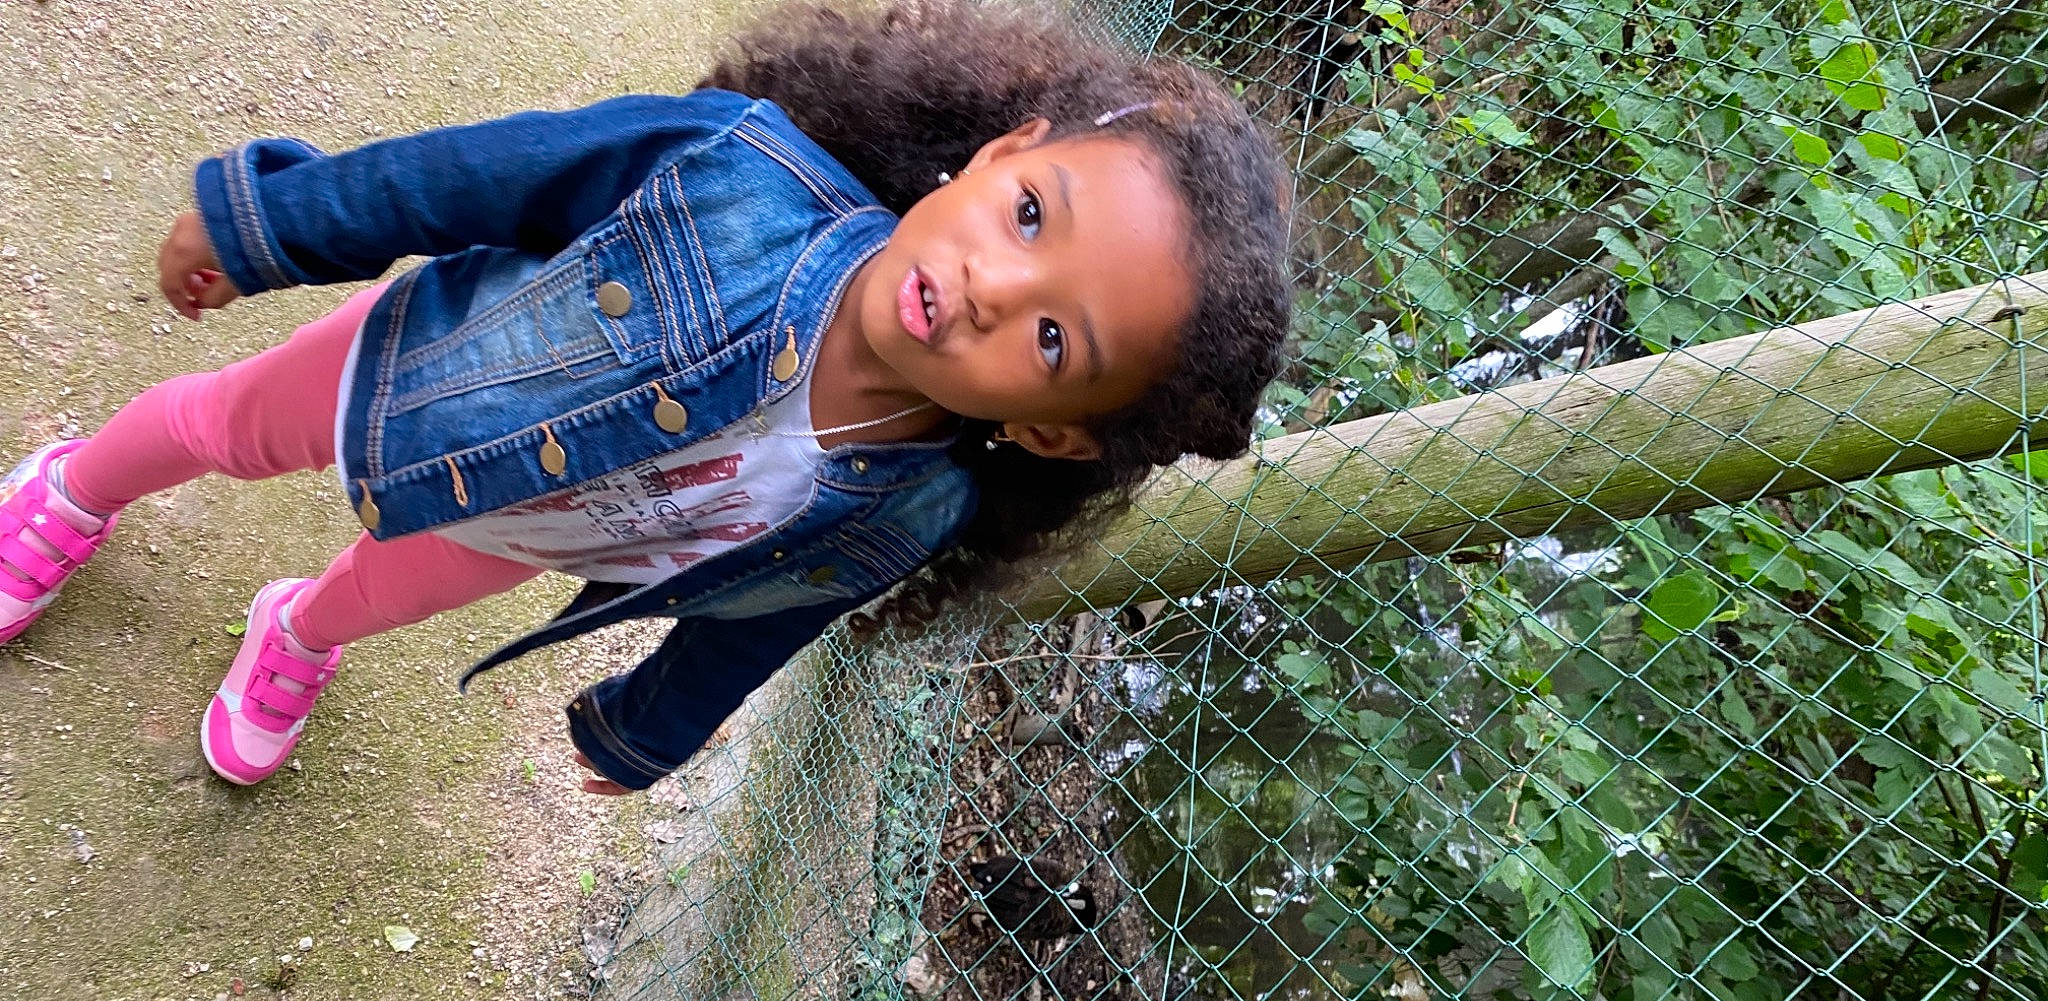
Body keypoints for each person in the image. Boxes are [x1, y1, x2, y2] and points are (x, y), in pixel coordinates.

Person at [0, 0, 1291, 793]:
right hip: (421, 376)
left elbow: (758, 621)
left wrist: (649, 731)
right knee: (222, 425)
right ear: (1003, 152)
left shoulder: (907, 512)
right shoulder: (733, 177)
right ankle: (75, 489)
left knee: (382, 588)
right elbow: (475, 177)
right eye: (1026, 215)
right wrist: (272, 223)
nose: (996, 287)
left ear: (1051, 432)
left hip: (515, 532)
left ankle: (302, 629)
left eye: (1057, 338)